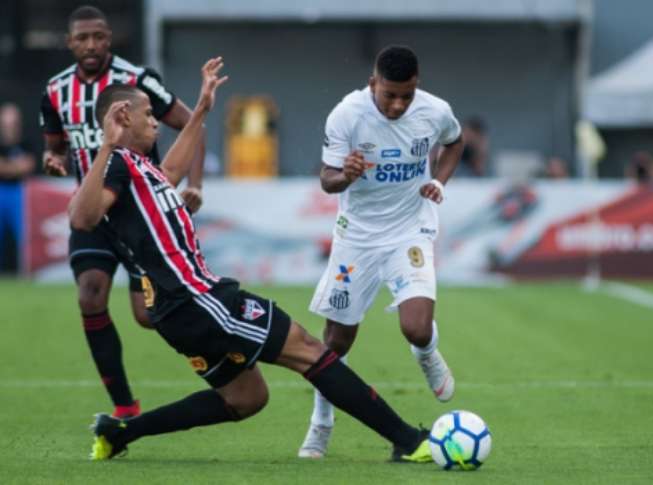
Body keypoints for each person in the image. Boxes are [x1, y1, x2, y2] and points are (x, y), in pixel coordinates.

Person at [71, 57, 431, 464]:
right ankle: (408, 440)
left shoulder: (142, 169)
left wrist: (203, 107)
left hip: (179, 309)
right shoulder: (116, 163)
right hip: (197, 299)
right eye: (148, 115)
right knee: (309, 349)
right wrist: (106, 144)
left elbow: (172, 168)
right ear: (122, 117)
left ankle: (121, 432)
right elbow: (82, 218)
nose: (156, 122)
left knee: (246, 397)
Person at [39, 5, 205, 418]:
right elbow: (57, 143)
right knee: (90, 293)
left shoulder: (137, 80)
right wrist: (53, 158)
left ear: (109, 38)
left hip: (140, 215)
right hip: (94, 211)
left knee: (148, 316)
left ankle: (219, 351)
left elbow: (189, 124)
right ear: (69, 42)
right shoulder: (55, 91)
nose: (91, 45)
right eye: (83, 38)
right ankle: (124, 408)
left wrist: (195, 184)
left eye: (98, 36)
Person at [299, 45, 464, 458]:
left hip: (410, 229)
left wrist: (440, 182)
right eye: (389, 94)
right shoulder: (347, 115)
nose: (397, 104)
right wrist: (346, 175)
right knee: (336, 342)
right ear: (373, 83)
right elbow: (326, 180)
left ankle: (426, 355)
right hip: (357, 237)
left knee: (417, 328)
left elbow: (455, 142)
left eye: (406, 95)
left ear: (416, 86)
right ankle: (321, 421)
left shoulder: (435, 110)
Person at [0, 103, 35, 273]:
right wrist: (16, 167)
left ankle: (27, 271)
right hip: (1, 191)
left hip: (20, 192)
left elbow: (28, 166)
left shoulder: (26, 142)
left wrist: (8, 167)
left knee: (24, 233)